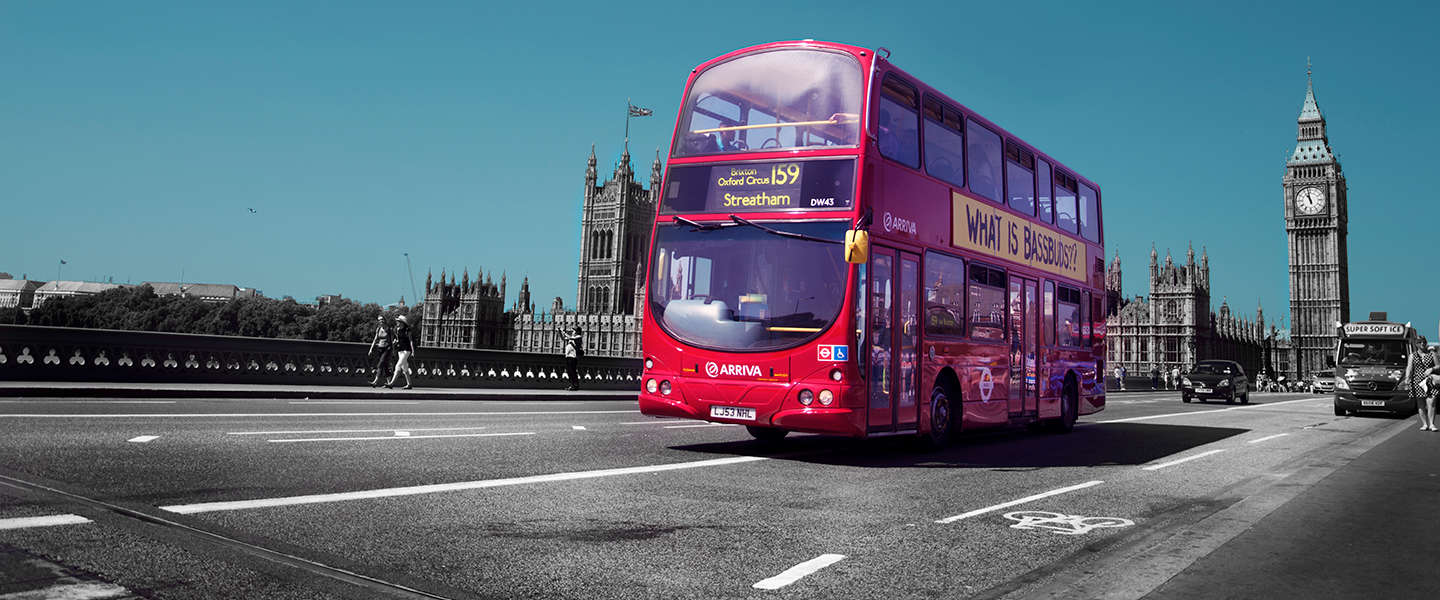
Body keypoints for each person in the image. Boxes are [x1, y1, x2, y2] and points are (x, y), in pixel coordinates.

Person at [1407, 343, 1438, 431]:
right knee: (1421, 404)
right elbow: (1409, 367)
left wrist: (1432, 369)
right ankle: (1424, 424)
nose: (1422, 344)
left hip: (1430, 380)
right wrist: (1407, 378)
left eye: (1424, 342)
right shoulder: (1412, 356)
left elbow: (1438, 365)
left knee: (1431, 402)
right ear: (1416, 344)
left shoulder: (1432, 354)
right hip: (1418, 381)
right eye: (1420, 342)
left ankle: (1432, 424)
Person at [384, 314, 416, 389]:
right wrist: (395, 342)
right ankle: (409, 384)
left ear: (402, 322)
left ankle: (391, 383)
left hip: (406, 350)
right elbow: (398, 339)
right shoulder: (398, 330)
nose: (397, 322)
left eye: (398, 321)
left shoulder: (407, 330)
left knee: (398, 365)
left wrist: (413, 351)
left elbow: (411, 341)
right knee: (405, 367)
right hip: (400, 350)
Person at [367, 314, 392, 387]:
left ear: (384, 320)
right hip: (380, 348)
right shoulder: (378, 329)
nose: (380, 321)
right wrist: (371, 349)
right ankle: (389, 383)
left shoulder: (389, 329)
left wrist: (392, 351)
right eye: (379, 320)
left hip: (387, 348)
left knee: (380, 364)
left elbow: (393, 339)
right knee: (385, 366)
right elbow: (375, 340)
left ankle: (375, 381)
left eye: (381, 319)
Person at [558, 325, 583, 390]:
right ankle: (572, 385)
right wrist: (559, 332)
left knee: (573, 371)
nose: (572, 332)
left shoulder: (578, 337)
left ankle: (575, 385)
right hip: (568, 356)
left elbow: (570, 338)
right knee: (569, 371)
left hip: (573, 357)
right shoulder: (572, 337)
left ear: (577, 331)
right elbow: (563, 339)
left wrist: (563, 332)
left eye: (573, 330)